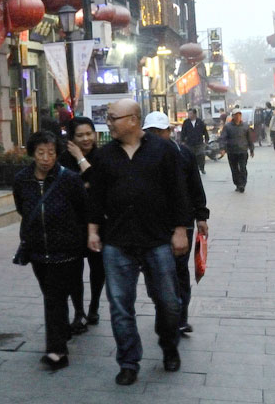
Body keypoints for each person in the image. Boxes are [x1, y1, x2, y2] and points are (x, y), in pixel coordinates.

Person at [87, 99, 192, 386]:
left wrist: (180, 229)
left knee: (169, 303)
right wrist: (93, 230)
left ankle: (169, 345)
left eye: (113, 118)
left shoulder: (163, 150)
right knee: (120, 306)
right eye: (108, 118)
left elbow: (179, 191)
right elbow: (96, 197)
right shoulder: (105, 156)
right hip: (117, 241)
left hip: (157, 239)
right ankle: (128, 362)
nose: (108, 123)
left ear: (133, 119)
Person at [12, 130, 88, 371]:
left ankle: (57, 351)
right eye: (41, 153)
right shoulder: (22, 179)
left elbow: (83, 210)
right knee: (52, 295)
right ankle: (61, 330)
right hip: (37, 249)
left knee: (54, 297)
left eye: (51, 153)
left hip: (66, 249)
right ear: (32, 154)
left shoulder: (69, 179)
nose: (46, 158)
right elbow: (22, 208)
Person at [142, 111, 210, 335]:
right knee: (155, 271)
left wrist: (201, 216)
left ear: (168, 132)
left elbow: (195, 186)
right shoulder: (140, 156)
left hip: (182, 222)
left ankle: (180, 317)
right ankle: (165, 310)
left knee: (179, 270)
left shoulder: (184, 154)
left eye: (159, 132)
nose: (155, 136)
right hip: (153, 225)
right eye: (150, 132)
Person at [59, 116, 105, 332]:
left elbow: (98, 183)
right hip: (72, 223)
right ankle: (79, 312)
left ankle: (94, 306)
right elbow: (65, 189)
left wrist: (80, 158)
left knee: (98, 268)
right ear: (72, 138)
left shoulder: (103, 156)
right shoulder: (62, 160)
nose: (86, 138)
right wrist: (84, 185)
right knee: (73, 270)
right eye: (80, 135)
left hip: (99, 222)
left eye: (89, 134)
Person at [219, 108, 254, 192]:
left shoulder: (245, 126)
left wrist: (251, 149)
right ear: (233, 116)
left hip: (243, 150)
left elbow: (249, 139)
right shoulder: (228, 127)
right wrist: (222, 148)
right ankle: (237, 184)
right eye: (236, 115)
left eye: (239, 115)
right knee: (234, 169)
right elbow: (223, 138)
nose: (238, 117)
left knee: (243, 168)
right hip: (232, 151)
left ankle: (242, 184)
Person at [180, 108, 209, 175]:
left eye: (190, 113)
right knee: (190, 156)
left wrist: (206, 140)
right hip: (189, 143)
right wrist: (182, 141)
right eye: (188, 113)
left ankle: (202, 168)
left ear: (195, 114)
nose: (189, 115)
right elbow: (183, 132)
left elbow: (205, 131)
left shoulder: (200, 122)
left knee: (201, 156)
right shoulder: (186, 122)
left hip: (199, 142)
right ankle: (192, 169)